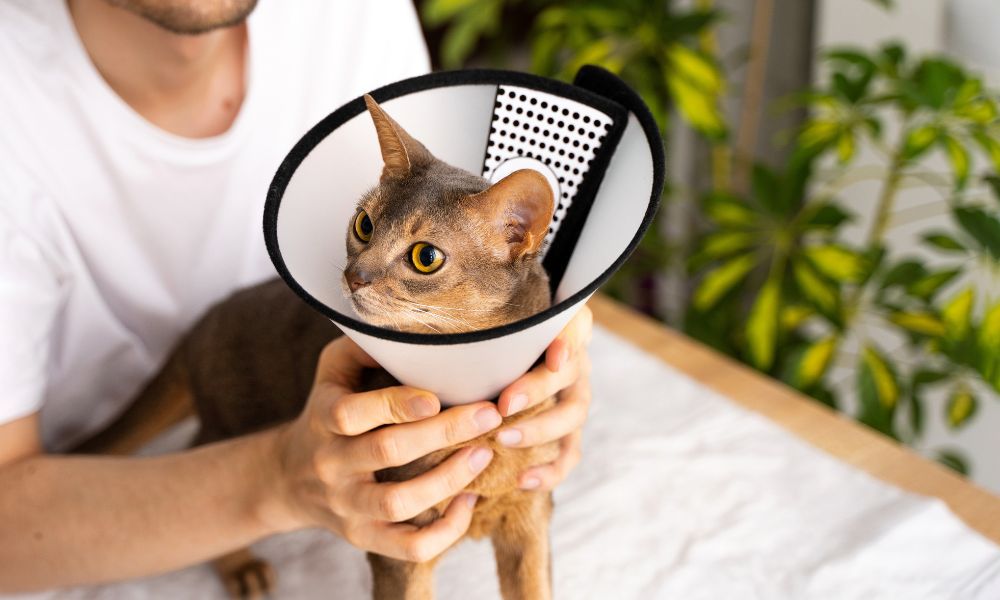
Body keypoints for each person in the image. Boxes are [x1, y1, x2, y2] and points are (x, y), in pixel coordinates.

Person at [0, 0, 593, 592]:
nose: (358, 275)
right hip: (97, 475)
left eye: (421, 258)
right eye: (364, 229)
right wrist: (277, 480)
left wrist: (553, 341)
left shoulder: (358, 15)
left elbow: (444, 200)